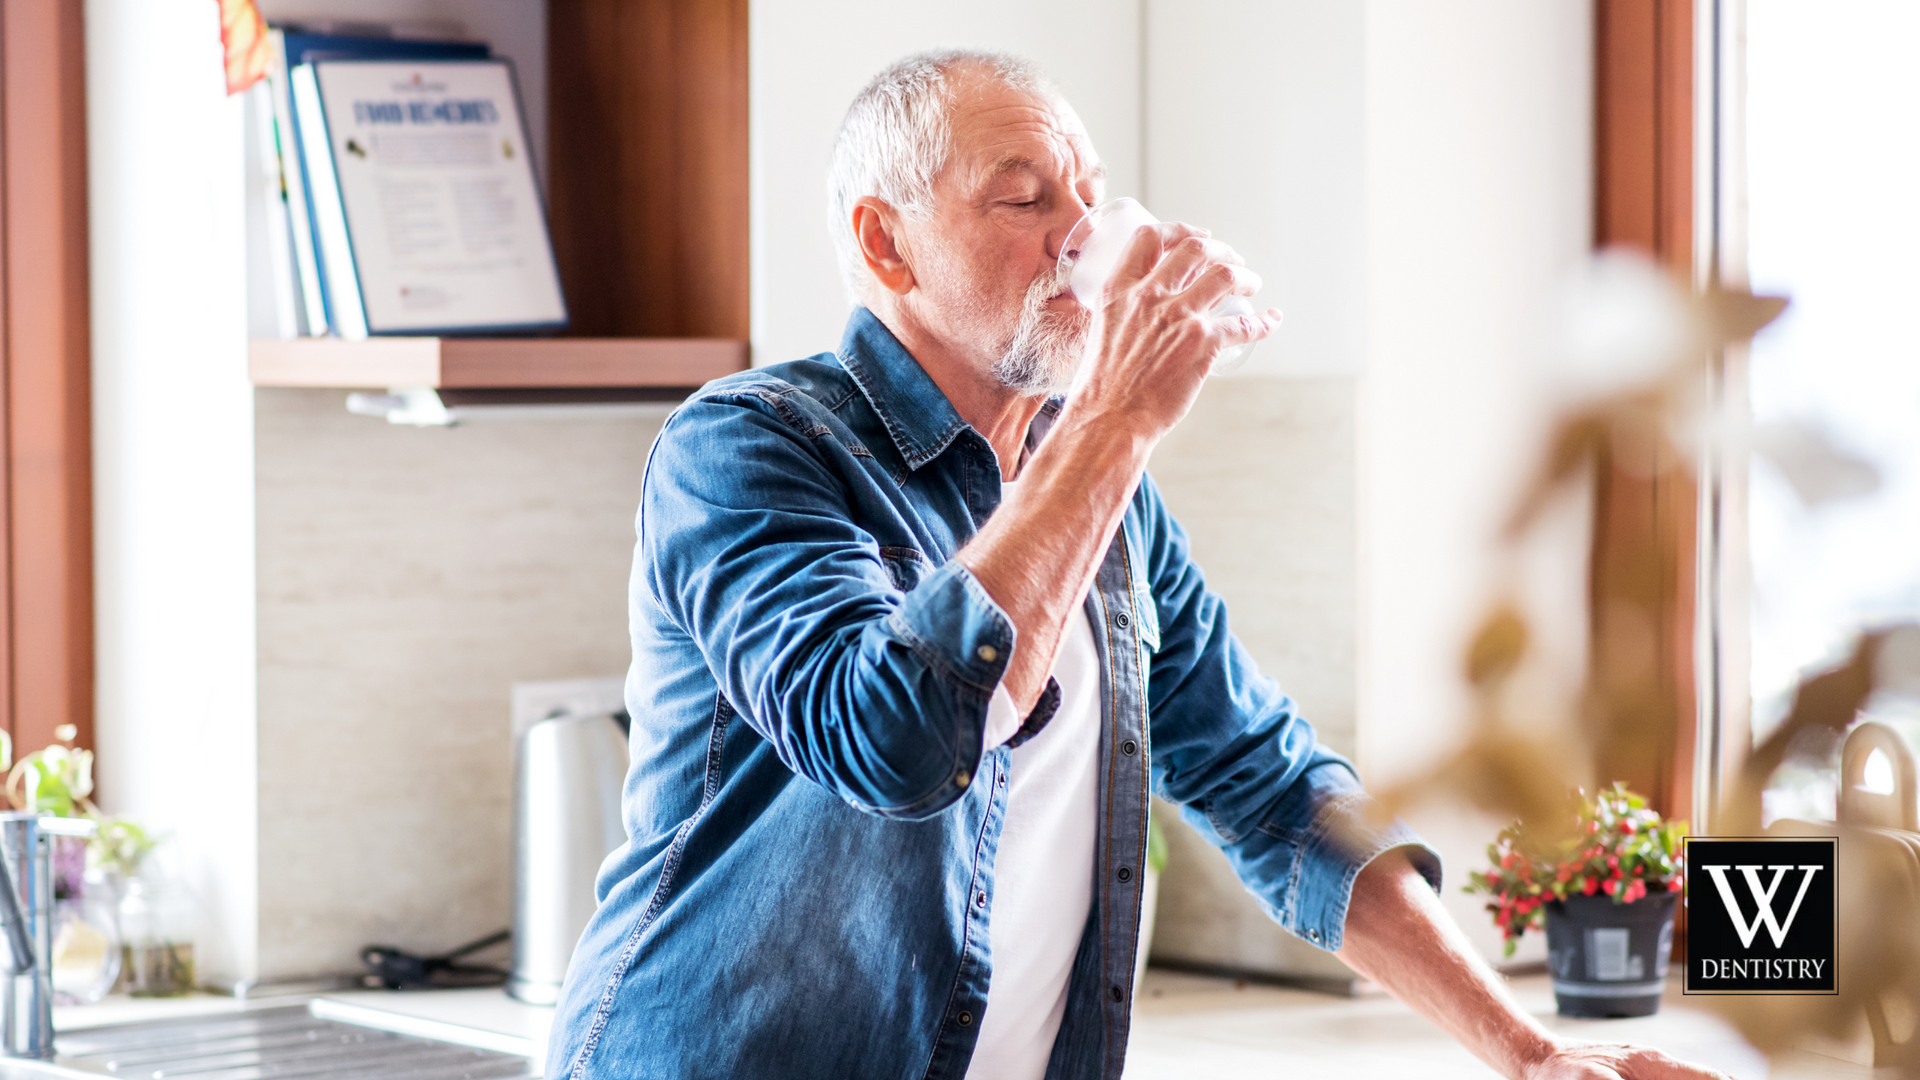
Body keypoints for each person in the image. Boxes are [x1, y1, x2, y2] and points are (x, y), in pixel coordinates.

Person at [547, 49, 1733, 1080]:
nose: (1079, 234)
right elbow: (893, 741)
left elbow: (1272, 790)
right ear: (886, 244)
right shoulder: (750, 444)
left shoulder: (1101, 486)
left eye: (1090, 195)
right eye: (1022, 197)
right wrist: (1119, 417)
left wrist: (1530, 1053)